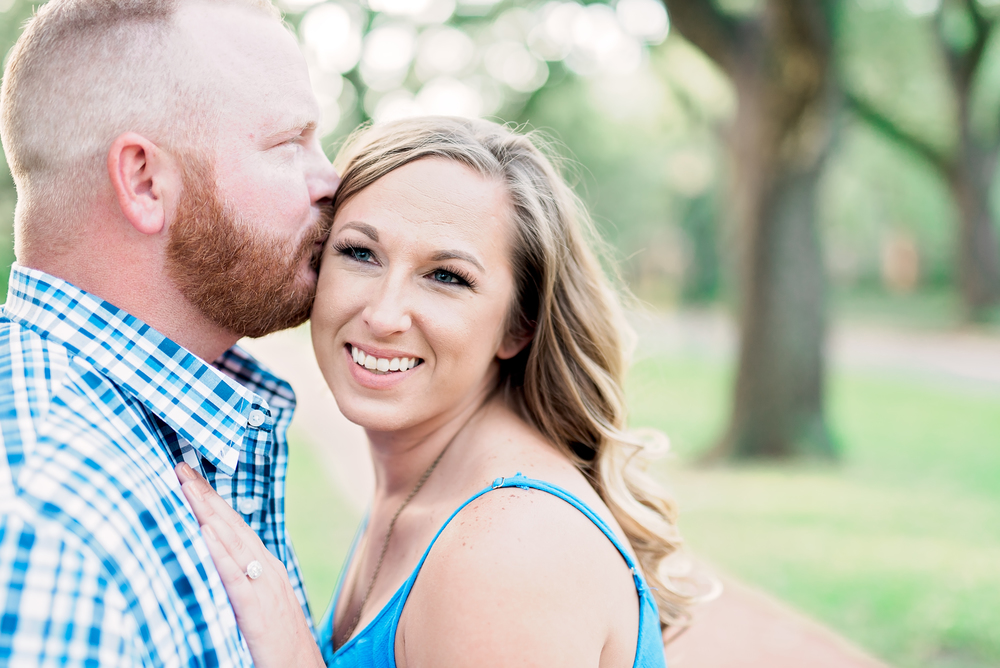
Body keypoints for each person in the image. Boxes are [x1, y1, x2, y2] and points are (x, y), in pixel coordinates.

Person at [177, 116, 695, 667]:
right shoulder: (419, 482)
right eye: (360, 253)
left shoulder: (509, 549)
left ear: (518, 325)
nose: (382, 314)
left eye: (446, 276)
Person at [0, 0, 338, 664]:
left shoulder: (129, 442)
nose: (329, 179)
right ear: (145, 181)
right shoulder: (55, 520)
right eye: (288, 143)